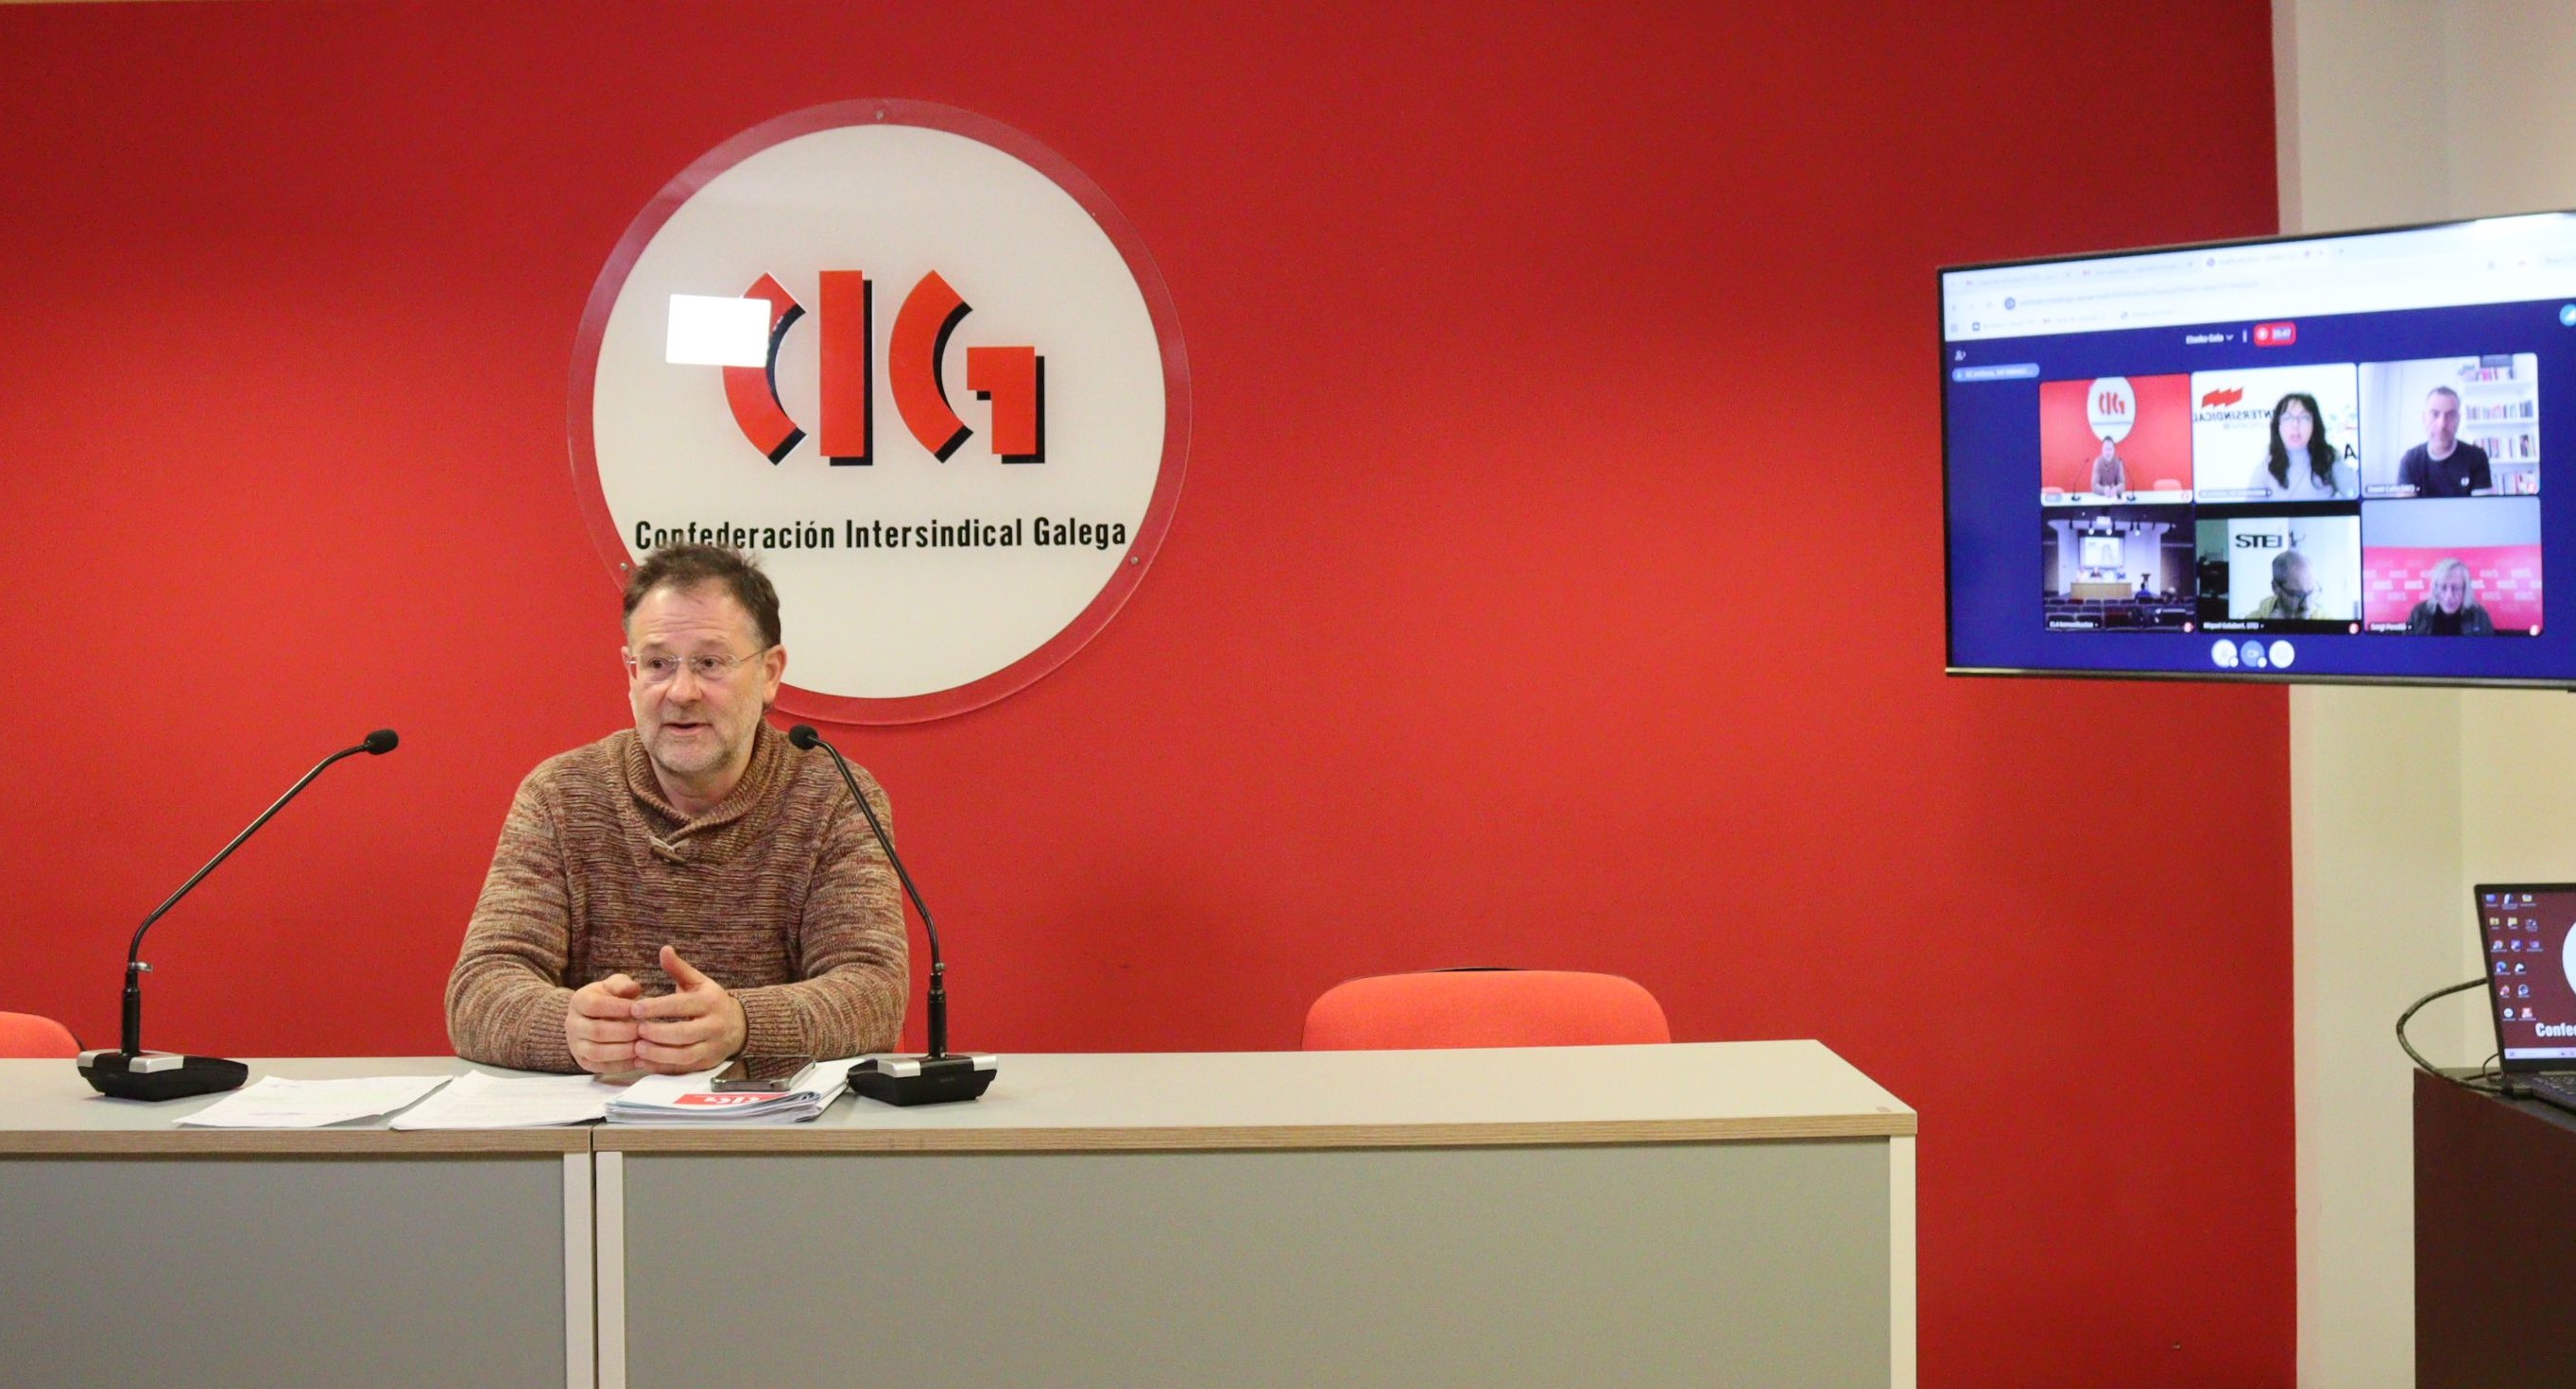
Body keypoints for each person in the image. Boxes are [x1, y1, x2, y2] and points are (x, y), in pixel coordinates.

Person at [446, 544, 907, 1074]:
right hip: (602, 1119)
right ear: (631, 674)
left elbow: (874, 992)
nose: (681, 691)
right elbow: (479, 991)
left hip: (774, 1121)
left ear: (770, 673)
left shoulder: (834, 796)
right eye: (658, 664)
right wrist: (569, 1027)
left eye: (710, 663)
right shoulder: (561, 794)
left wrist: (741, 1024)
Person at [2252, 392, 2356, 499]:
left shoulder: (2329, 461)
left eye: (2304, 417)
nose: (2295, 425)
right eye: (2287, 418)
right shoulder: (2265, 470)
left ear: (2314, 424)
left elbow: (2357, 494)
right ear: (2278, 426)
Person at [2396, 386, 2492, 497]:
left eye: (2450, 415)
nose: (2442, 424)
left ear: (2458, 420)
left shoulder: (2477, 457)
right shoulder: (2410, 460)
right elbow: (2406, 506)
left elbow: (2481, 506)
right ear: (2424, 418)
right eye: (2435, 414)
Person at [2404, 557, 2497, 635]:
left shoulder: (2478, 616)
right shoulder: (2419, 613)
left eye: (2456, 588)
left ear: (2465, 589)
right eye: (2443, 588)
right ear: (2435, 589)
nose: (2449, 596)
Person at [2247, 549, 2333, 620]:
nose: (2306, 605)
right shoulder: (2252, 621)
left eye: (2311, 592)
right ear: (2275, 588)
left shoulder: (2327, 622)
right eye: (2298, 595)